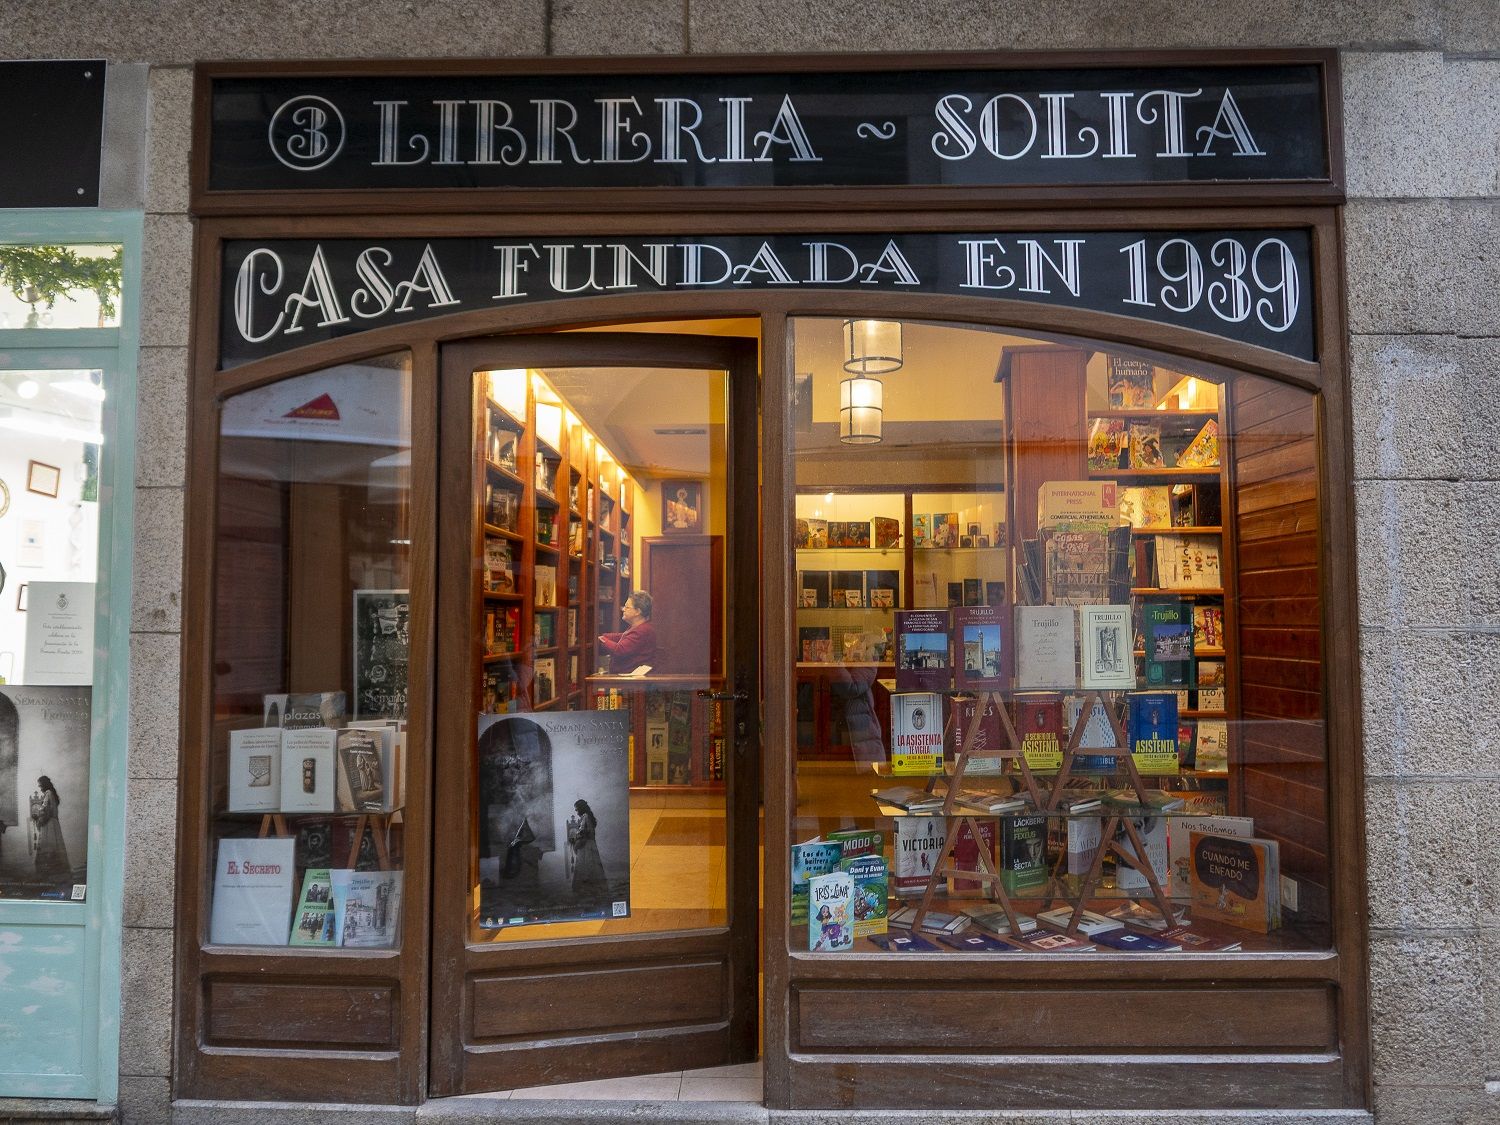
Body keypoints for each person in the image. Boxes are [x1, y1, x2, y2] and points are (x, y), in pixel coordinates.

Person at [598, 590, 658, 672]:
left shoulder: (642, 631)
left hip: (632, 683)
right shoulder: (639, 628)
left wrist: (603, 640)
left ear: (637, 611)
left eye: (627, 607)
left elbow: (620, 650)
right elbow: (622, 636)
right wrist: (602, 635)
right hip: (628, 681)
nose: (623, 609)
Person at [29, 775, 69, 883]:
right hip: (54, 824)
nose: (40, 787)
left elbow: (45, 810)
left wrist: (37, 818)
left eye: (40, 785)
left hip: (49, 825)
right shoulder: (53, 794)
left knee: (47, 847)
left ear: (44, 784)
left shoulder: (48, 793)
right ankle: (56, 875)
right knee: (55, 846)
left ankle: (47, 876)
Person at [569, 799, 608, 899]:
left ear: (581, 808)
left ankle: (588, 889)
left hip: (586, 844)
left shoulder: (585, 817)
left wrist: (575, 838)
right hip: (590, 843)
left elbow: (583, 832)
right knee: (592, 865)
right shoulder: (587, 816)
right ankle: (592, 889)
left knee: (586, 865)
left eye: (577, 810)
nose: (576, 812)